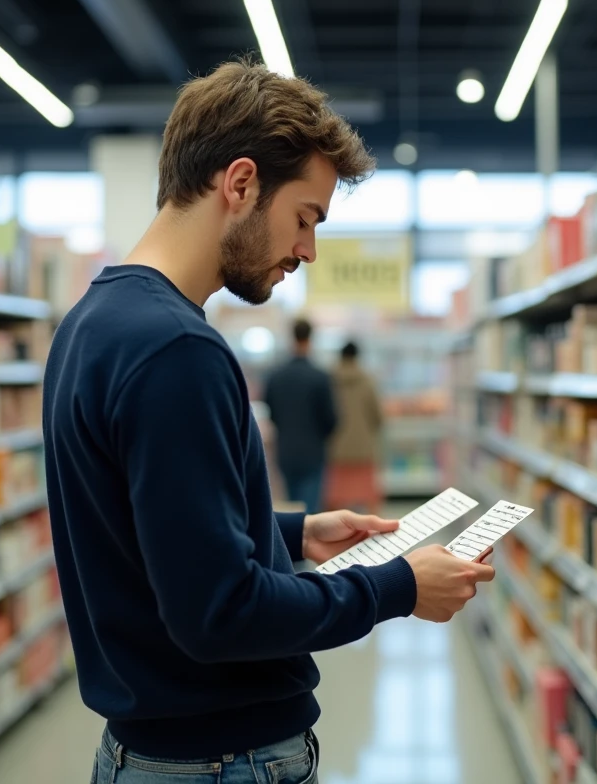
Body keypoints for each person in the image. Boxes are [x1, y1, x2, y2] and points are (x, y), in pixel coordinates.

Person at [42, 59, 496, 784]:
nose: (308, 250)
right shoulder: (176, 350)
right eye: (305, 218)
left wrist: (291, 532)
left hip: (154, 751)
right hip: (219, 762)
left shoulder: (95, 322)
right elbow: (220, 614)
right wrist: (398, 588)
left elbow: (142, 525)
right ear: (241, 183)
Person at [264, 318, 335, 514]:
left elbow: (271, 411)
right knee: (310, 510)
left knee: (291, 506)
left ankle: (293, 543)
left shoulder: (276, 376)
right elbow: (331, 419)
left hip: (285, 450)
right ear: (310, 339)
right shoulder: (319, 377)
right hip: (313, 451)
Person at [326, 340, 383, 513]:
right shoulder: (367, 381)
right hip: (363, 449)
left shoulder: (329, 381)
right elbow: (378, 416)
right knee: (369, 498)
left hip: (335, 449)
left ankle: (337, 537)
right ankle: (376, 534)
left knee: (335, 500)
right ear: (357, 357)